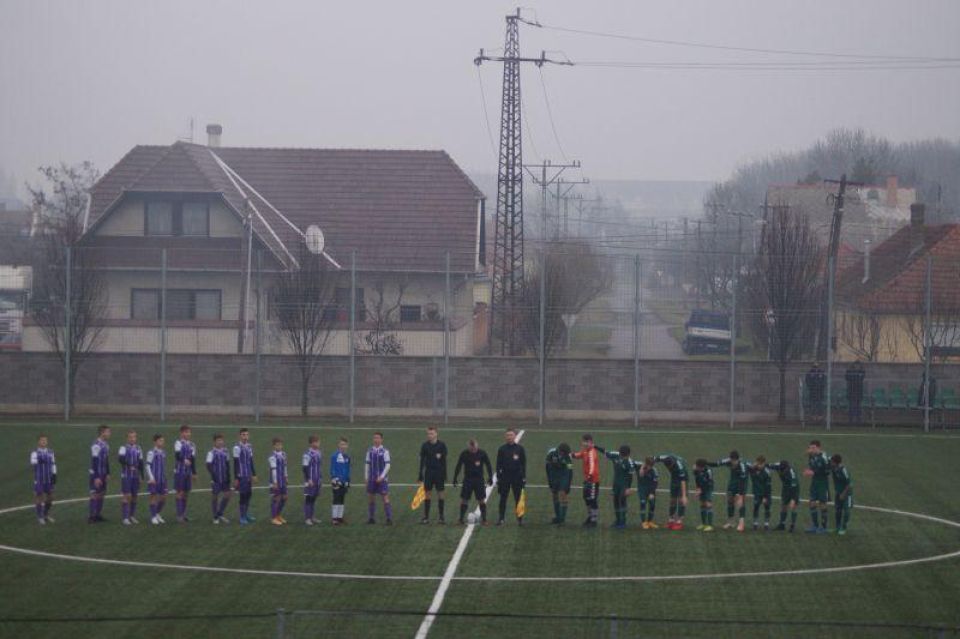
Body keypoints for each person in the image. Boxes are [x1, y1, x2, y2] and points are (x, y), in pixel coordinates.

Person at [453, 438, 493, 525]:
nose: (473, 450)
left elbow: (488, 465)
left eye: (474, 448)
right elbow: (459, 465)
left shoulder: (482, 453)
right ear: (469, 447)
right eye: (471, 449)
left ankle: (484, 519)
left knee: (481, 499)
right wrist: (455, 477)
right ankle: (460, 519)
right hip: (468, 479)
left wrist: (490, 477)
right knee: (464, 499)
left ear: (477, 446)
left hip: (479, 480)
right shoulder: (464, 454)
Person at [709, 450, 749, 532]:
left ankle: (741, 523)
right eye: (732, 460)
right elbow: (716, 464)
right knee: (730, 501)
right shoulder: (728, 461)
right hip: (732, 484)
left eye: (734, 461)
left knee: (740, 503)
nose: (733, 463)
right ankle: (731, 522)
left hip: (742, 484)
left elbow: (743, 480)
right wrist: (704, 463)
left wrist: (740, 495)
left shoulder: (742, 466)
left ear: (737, 459)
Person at [495, 428, 526, 526]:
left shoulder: (520, 449)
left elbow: (523, 464)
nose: (509, 437)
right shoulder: (502, 449)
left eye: (511, 435)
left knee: (518, 499)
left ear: (515, 436)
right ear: (505, 437)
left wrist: (524, 477)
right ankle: (501, 518)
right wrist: (499, 477)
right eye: (507, 435)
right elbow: (498, 464)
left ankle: (520, 519)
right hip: (505, 477)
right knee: (503, 498)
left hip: (517, 477)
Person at [418, 426, 448, 525]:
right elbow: (422, 461)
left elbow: (444, 461)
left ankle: (441, 517)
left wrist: (445, 474)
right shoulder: (425, 446)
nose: (429, 435)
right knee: (427, 494)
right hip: (429, 473)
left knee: (440, 494)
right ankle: (426, 517)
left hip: (439, 473)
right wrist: (420, 474)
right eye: (428, 434)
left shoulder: (442, 445)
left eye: (431, 433)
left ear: (436, 434)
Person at [604, 445, 637, 529]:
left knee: (622, 501)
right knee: (615, 501)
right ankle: (618, 520)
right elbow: (604, 451)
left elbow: (630, 476)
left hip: (624, 485)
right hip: (616, 484)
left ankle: (623, 522)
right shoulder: (615, 455)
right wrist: (594, 446)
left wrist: (628, 488)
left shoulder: (629, 462)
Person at [572, 434, 601, 527]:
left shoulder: (592, 452)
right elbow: (579, 455)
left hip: (593, 481)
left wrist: (589, 476)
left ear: (591, 442)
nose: (585, 443)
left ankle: (594, 520)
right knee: (586, 498)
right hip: (587, 480)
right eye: (584, 441)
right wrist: (571, 455)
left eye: (587, 442)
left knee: (592, 499)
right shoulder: (585, 451)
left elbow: (592, 467)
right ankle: (590, 516)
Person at [654, 453, 689, 530]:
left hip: (682, 480)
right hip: (674, 479)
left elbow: (683, 481)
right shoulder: (664, 458)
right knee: (672, 500)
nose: (669, 468)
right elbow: (653, 459)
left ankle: (679, 522)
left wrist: (684, 496)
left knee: (681, 500)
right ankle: (671, 520)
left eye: (670, 466)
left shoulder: (680, 467)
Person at [365, 432, 393, 525]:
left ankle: (389, 519)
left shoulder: (385, 451)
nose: (376, 440)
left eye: (378, 438)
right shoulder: (370, 451)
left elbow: (388, 465)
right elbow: (367, 464)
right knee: (371, 498)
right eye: (375, 438)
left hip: (382, 479)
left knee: (385, 497)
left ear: (381, 440)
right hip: (372, 478)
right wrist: (366, 477)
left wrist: (382, 476)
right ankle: (371, 518)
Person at [803, 440, 831, 534]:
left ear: (819, 447)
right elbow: (812, 466)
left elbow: (827, 471)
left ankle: (824, 527)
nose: (811, 450)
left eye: (813, 448)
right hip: (814, 482)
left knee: (823, 504)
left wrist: (813, 472)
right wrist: (809, 471)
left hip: (822, 483)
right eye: (810, 448)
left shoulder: (824, 457)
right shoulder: (811, 456)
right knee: (812, 502)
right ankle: (815, 526)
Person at [118, 430, 144, 525]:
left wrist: (142, 475)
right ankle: (125, 518)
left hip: (136, 476)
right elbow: (120, 459)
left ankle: (131, 516)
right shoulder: (123, 448)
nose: (133, 439)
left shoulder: (138, 448)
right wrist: (130, 466)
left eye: (134, 437)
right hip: (126, 475)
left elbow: (141, 462)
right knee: (127, 495)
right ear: (127, 438)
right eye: (130, 437)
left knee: (134, 496)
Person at [766, 459, 800, 532]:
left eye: (784, 470)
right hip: (785, 488)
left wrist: (794, 499)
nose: (782, 472)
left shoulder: (791, 474)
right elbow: (768, 465)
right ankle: (782, 524)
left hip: (794, 488)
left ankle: (792, 525)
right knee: (783, 505)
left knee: (793, 506)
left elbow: (795, 486)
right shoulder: (778, 466)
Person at [173, 424, 198, 523]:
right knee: (180, 493)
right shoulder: (178, 443)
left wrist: (194, 472)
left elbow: (193, 459)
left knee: (186, 493)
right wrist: (184, 460)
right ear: (181, 433)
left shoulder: (192, 445)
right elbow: (177, 455)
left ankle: (183, 515)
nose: (188, 434)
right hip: (179, 471)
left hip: (188, 472)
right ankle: (179, 516)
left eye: (189, 432)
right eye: (186, 432)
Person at [30, 434, 57, 525]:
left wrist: (54, 474)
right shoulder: (35, 452)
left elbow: (53, 463)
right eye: (42, 440)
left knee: (51, 497)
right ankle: (40, 517)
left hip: (49, 478)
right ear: (39, 441)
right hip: (39, 479)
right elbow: (32, 461)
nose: (44, 442)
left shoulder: (50, 452)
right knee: (39, 497)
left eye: (45, 440)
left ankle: (45, 514)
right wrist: (39, 460)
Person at [206, 433, 232, 524]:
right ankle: (215, 516)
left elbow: (227, 464)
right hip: (216, 479)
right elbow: (208, 465)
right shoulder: (211, 453)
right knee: (215, 496)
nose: (220, 442)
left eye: (221, 440)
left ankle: (219, 513)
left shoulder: (226, 451)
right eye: (218, 441)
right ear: (214, 442)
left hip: (225, 478)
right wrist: (214, 476)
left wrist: (228, 476)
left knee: (227, 495)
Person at [232, 428, 257, 525]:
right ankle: (242, 517)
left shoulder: (249, 446)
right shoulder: (236, 447)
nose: (245, 437)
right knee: (243, 495)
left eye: (246, 435)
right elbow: (236, 463)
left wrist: (254, 474)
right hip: (241, 475)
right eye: (243, 435)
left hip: (248, 475)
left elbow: (251, 461)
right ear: (240, 436)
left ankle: (246, 514)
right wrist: (236, 478)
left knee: (249, 494)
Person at [545, 443, 573, 525]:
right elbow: (547, 467)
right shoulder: (551, 454)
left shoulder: (568, 457)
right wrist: (549, 481)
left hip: (564, 476)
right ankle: (557, 517)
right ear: (560, 451)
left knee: (562, 494)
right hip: (554, 477)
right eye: (564, 453)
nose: (565, 455)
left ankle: (562, 519)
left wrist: (568, 484)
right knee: (555, 495)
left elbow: (570, 471)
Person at [88, 425, 111, 524]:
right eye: (108, 432)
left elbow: (106, 460)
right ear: (102, 433)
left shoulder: (106, 445)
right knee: (94, 494)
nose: (109, 434)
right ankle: (91, 516)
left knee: (102, 494)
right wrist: (96, 477)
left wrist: (108, 473)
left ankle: (97, 514)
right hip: (96, 473)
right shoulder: (96, 445)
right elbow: (94, 461)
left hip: (103, 473)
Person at [146, 434, 168, 525]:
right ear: (155, 442)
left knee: (164, 497)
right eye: (160, 441)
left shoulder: (163, 452)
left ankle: (157, 513)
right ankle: (153, 516)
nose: (162, 442)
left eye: (163, 441)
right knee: (153, 497)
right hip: (154, 479)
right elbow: (147, 466)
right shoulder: (151, 452)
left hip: (162, 478)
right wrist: (151, 478)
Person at [830, 454, 854, 535]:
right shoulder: (834, 468)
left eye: (832, 462)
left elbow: (849, 484)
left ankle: (844, 527)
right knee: (838, 510)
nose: (831, 463)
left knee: (846, 511)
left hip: (847, 494)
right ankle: (837, 527)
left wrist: (843, 494)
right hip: (838, 492)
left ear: (835, 462)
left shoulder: (843, 470)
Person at [329, 437, 351, 525]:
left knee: (342, 498)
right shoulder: (334, 456)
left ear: (347, 446)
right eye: (341, 444)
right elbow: (332, 468)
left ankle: (340, 517)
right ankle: (334, 518)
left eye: (344, 444)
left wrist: (348, 480)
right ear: (338, 445)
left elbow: (348, 469)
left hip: (344, 481)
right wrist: (335, 479)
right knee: (336, 498)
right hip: (337, 481)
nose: (343, 446)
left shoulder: (347, 457)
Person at [302, 435, 323, 526]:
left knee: (314, 498)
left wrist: (320, 478)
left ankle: (312, 517)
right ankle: (307, 518)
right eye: (316, 442)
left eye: (318, 441)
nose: (318, 443)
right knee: (309, 498)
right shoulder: (307, 454)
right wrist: (308, 479)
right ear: (311, 443)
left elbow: (319, 466)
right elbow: (304, 468)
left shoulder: (318, 452)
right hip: (310, 480)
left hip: (317, 479)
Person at [749, 455, 773, 531]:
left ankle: (766, 524)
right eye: (758, 463)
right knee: (756, 507)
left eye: (760, 464)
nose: (759, 466)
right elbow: (747, 468)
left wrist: (765, 497)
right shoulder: (753, 469)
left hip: (766, 493)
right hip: (757, 493)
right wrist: (753, 466)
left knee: (767, 507)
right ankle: (755, 524)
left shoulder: (767, 472)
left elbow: (768, 486)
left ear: (764, 463)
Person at [268, 437, 289, 526]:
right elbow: (273, 470)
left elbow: (285, 466)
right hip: (275, 481)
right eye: (277, 445)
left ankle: (278, 515)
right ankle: (273, 518)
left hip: (282, 480)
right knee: (276, 498)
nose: (279, 446)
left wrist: (286, 476)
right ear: (274, 446)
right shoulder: (272, 456)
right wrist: (275, 482)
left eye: (280, 445)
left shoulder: (284, 454)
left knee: (285, 497)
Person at [636, 457, 659, 530]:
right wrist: (642, 468)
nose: (650, 467)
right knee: (643, 503)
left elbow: (655, 483)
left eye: (651, 466)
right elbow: (640, 474)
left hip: (650, 489)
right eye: (649, 465)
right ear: (646, 463)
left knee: (652, 504)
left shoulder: (654, 471)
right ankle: (643, 522)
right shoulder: (639, 466)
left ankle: (650, 521)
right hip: (642, 489)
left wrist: (652, 493)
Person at [693, 459, 714, 533]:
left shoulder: (708, 471)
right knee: (702, 504)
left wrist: (701, 490)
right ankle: (704, 524)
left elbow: (709, 483)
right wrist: (698, 489)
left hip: (708, 488)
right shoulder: (696, 470)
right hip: (701, 487)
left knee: (708, 504)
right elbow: (697, 479)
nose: (696, 467)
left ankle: (710, 525)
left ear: (701, 467)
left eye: (697, 466)